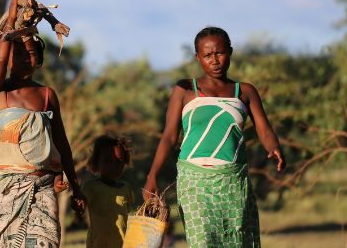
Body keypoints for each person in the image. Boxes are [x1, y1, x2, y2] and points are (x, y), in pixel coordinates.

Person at [143, 26, 286, 247]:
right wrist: (152, 175)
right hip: (194, 181)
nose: (215, 60)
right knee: (203, 241)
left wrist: (273, 147)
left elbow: (264, 129)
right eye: (208, 55)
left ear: (230, 51)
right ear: (197, 57)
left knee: (235, 241)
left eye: (219, 53)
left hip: (234, 181)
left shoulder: (245, 91)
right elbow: (170, 137)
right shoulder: (185, 91)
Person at [0, 0, 85, 248]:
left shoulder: (47, 95)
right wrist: (11, 19)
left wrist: (76, 188)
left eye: (32, 53)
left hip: (42, 185)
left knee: (45, 242)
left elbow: (62, 143)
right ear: (9, 58)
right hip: (5, 189)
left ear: (40, 60)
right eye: (20, 53)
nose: (27, 58)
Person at [82, 134, 134, 248]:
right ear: (96, 163)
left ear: (125, 161)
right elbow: (80, 206)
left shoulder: (126, 189)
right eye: (107, 160)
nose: (114, 165)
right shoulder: (90, 188)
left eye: (119, 160)